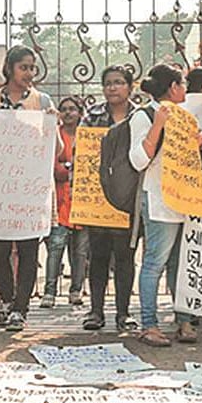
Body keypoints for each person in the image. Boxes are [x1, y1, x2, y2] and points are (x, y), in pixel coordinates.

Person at [0, 45, 56, 332]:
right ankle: (7, 300)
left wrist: (52, 124)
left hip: (29, 190)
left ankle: (20, 309)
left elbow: (55, 149)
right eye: (24, 67)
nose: (29, 73)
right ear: (9, 68)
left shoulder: (42, 101)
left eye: (32, 68)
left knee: (27, 250)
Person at [130, 64, 202, 347]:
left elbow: (176, 157)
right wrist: (158, 125)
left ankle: (184, 321)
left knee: (181, 262)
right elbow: (138, 160)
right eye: (183, 84)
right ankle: (149, 324)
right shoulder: (144, 115)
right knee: (155, 262)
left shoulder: (184, 118)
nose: (186, 89)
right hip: (159, 199)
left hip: (183, 198)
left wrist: (196, 144)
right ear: (173, 87)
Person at [79, 66, 139, 331]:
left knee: (125, 257)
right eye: (108, 84)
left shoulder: (140, 116)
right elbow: (81, 152)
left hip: (129, 197)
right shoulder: (91, 116)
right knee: (98, 256)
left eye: (119, 83)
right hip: (97, 198)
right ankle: (95, 311)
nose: (113, 88)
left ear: (130, 86)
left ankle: (123, 313)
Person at [41, 95, 89, 308]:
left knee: (80, 252)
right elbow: (52, 166)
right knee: (56, 248)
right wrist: (69, 168)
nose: (69, 112)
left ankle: (75, 290)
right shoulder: (55, 135)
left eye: (73, 109)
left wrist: (67, 166)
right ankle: (49, 292)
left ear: (80, 113)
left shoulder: (86, 136)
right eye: (64, 109)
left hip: (83, 201)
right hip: (59, 202)